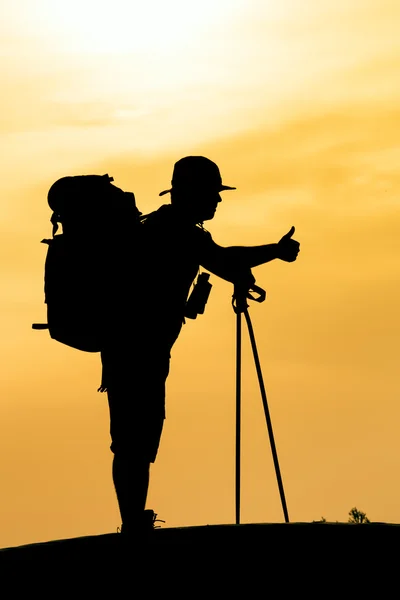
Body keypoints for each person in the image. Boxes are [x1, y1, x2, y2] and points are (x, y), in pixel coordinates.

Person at [100, 156, 300, 536]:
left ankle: (133, 520)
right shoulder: (176, 230)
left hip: (133, 348)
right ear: (194, 194)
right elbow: (224, 260)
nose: (218, 202)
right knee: (135, 441)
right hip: (137, 351)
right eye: (214, 194)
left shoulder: (166, 227)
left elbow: (221, 259)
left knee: (133, 440)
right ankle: (132, 524)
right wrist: (274, 250)